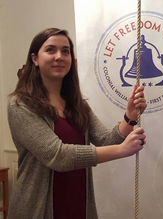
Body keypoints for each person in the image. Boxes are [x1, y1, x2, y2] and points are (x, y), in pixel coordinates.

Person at [7, 28, 147, 219]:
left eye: (65, 51)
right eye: (50, 50)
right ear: (35, 59)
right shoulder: (20, 104)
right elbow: (58, 156)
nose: (59, 56)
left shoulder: (78, 104)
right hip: (37, 209)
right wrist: (122, 150)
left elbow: (106, 141)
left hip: (79, 205)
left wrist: (130, 116)